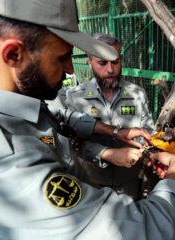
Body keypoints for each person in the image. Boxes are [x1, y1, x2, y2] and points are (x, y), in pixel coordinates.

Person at [0, 1, 175, 239]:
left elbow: (59, 118)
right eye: (62, 57)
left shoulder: (20, 106)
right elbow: (142, 229)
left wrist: (116, 132)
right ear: (14, 54)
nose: (69, 69)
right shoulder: (0, 159)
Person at [65, 33, 156, 200]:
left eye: (115, 62)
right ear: (90, 62)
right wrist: (107, 153)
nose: (110, 70)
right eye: (102, 63)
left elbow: (149, 130)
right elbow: (72, 143)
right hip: (91, 182)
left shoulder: (137, 94)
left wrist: (145, 148)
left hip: (129, 181)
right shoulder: (75, 97)